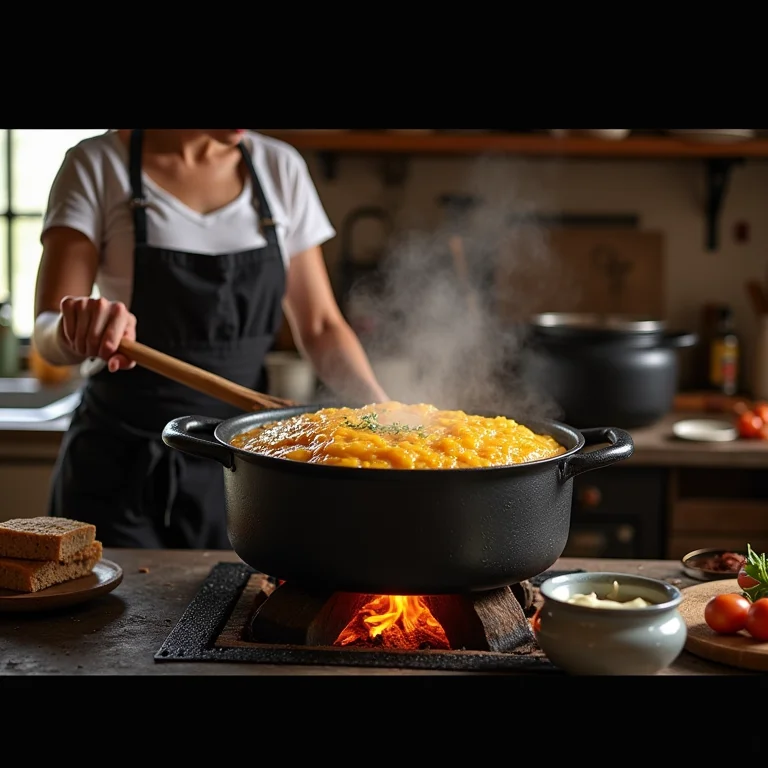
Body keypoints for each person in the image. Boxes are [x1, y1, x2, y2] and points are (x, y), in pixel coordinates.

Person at [33, 129, 388, 549]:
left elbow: (321, 327)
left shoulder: (279, 167)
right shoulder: (96, 163)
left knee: (230, 612)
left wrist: (385, 416)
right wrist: (78, 325)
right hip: (119, 466)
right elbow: (46, 332)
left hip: (242, 467)